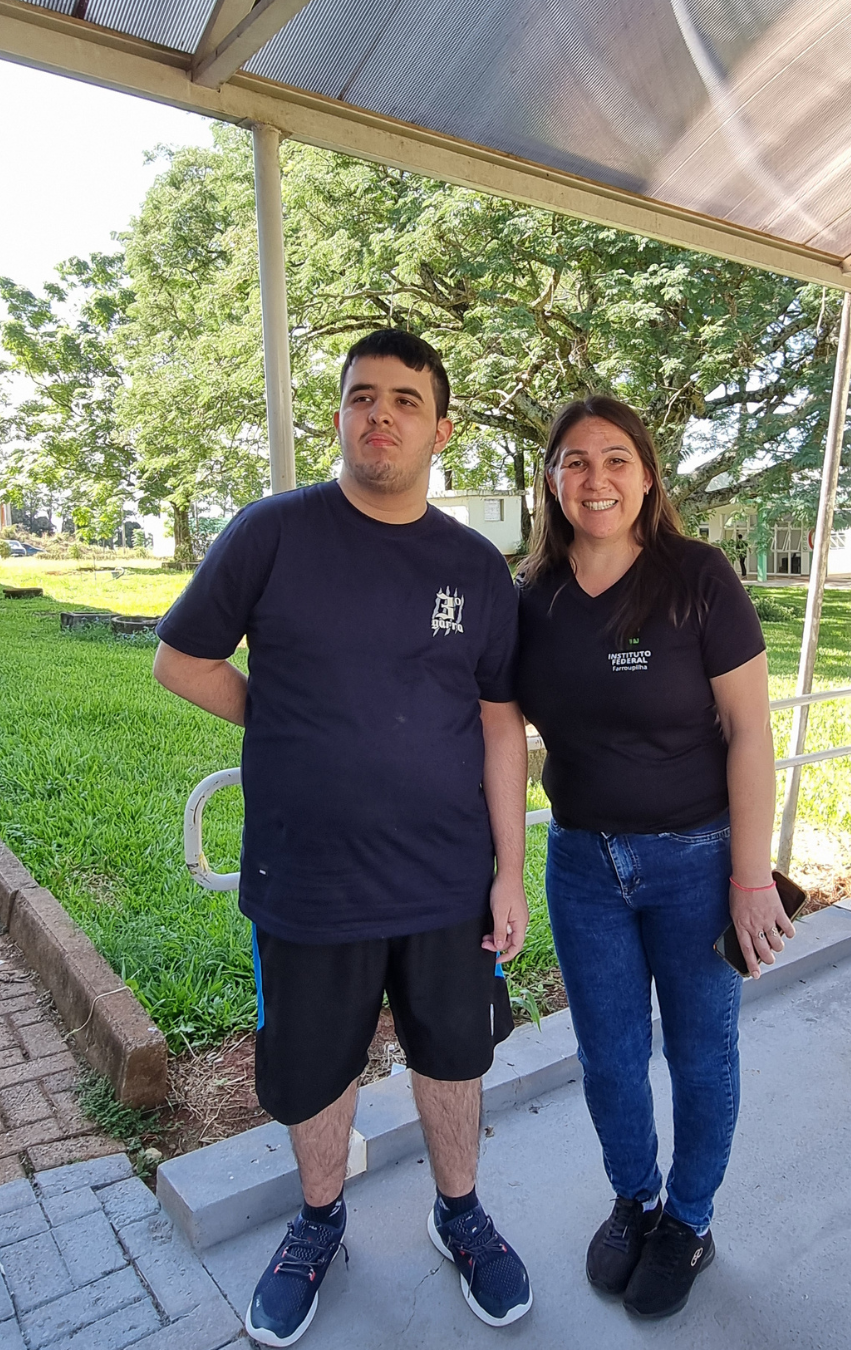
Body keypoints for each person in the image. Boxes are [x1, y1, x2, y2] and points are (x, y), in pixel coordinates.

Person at [153, 329, 533, 1343]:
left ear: (440, 430)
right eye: (363, 396)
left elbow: (501, 722)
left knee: (453, 1057)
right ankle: (319, 1225)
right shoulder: (271, 534)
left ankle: (460, 1214)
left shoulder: (472, 567)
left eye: (406, 400)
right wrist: (282, 717)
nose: (381, 416)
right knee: (315, 1069)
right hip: (309, 878)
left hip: (449, 881)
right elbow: (181, 660)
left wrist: (511, 870)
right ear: (339, 416)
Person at [516, 396, 785, 1320]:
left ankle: (690, 1220)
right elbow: (492, 726)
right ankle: (634, 1199)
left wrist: (752, 877)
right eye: (575, 461)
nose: (596, 479)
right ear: (551, 480)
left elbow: (750, 733)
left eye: (616, 460)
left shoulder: (698, 577)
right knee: (609, 1058)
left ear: (647, 475)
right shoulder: (530, 598)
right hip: (581, 864)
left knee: (702, 1055)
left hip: (698, 863)